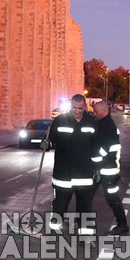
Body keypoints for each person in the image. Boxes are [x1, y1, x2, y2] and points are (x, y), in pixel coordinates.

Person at [40, 94, 99, 237]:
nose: (76, 111)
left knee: (85, 207)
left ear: (84, 107)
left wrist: (97, 168)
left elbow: (96, 147)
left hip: (84, 174)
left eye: (80, 108)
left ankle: (86, 235)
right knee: (59, 205)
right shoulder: (59, 121)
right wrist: (46, 144)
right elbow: (50, 139)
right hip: (63, 174)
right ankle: (54, 230)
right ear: (70, 106)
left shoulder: (91, 122)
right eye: (74, 108)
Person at [91, 101, 130, 235]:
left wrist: (94, 159)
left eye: (96, 111)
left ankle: (122, 225)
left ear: (104, 111)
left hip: (108, 170)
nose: (94, 114)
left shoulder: (108, 126)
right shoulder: (101, 123)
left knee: (112, 198)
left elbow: (105, 148)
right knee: (88, 194)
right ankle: (83, 222)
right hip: (104, 168)